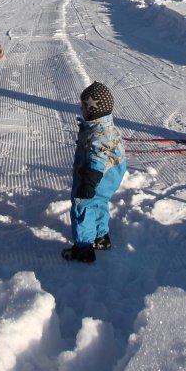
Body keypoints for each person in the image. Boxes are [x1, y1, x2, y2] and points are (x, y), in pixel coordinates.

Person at [63, 82, 127, 262]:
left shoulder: (96, 135)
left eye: (83, 106)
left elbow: (97, 159)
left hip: (96, 176)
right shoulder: (106, 127)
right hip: (111, 175)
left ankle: (83, 248)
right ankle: (101, 237)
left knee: (82, 206)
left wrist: (88, 183)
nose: (80, 109)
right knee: (99, 202)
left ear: (92, 110)